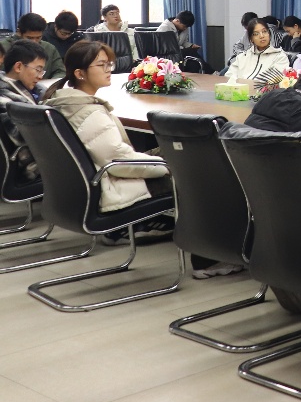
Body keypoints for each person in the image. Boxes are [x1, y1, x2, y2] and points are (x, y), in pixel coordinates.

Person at [43, 41, 174, 244]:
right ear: (80, 73)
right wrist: (165, 167)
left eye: (109, 64)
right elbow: (119, 162)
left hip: (98, 180)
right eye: (101, 65)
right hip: (113, 187)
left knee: (173, 150)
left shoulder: (64, 102)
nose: (108, 69)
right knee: (185, 161)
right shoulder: (89, 113)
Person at [0, 40, 46, 183]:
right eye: (38, 69)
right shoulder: (4, 98)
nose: (41, 76)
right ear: (18, 66)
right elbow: (22, 136)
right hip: (31, 168)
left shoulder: (34, 90)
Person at [224, 19, 290, 86]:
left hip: (264, 92)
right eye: (256, 34)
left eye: (264, 31)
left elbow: (275, 81)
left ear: (269, 34)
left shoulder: (279, 56)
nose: (261, 36)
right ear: (251, 39)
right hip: (239, 91)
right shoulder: (243, 57)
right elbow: (229, 77)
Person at [1, 13, 65, 79]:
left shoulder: (49, 49)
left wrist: (50, 83)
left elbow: (61, 72)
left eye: (38, 37)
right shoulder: (3, 48)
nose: (34, 42)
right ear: (19, 32)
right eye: (29, 38)